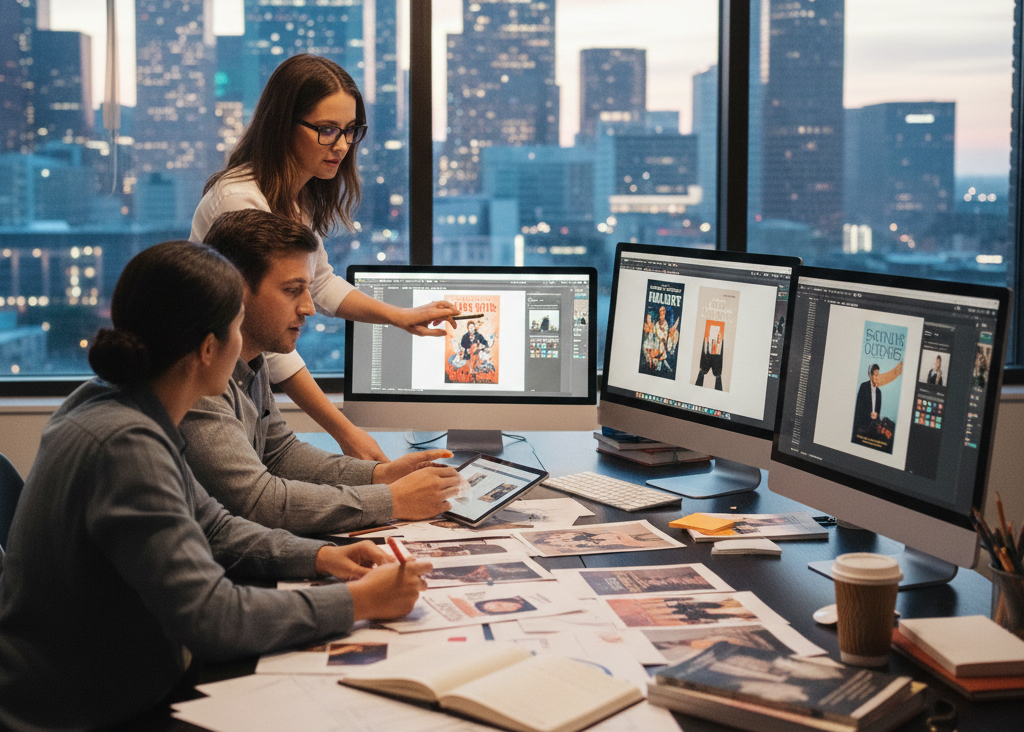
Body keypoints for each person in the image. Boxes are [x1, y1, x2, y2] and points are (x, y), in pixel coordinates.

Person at [0, 241, 432, 731]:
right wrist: (358, 602)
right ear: (208, 348)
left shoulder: (121, 404)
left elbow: (216, 527)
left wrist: (319, 558)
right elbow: (212, 617)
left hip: (110, 686)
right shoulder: (126, 445)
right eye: (236, 325)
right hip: (86, 714)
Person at [190, 54, 459, 464]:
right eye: (327, 130)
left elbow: (319, 282)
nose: (342, 145)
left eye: (351, 131)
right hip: (213, 374)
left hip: (243, 371)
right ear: (283, 124)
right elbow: (270, 332)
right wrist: (345, 431)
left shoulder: (294, 196)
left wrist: (398, 316)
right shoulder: (241, 200)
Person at [183, 209, 463, 535]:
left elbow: (280, 454)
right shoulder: (200, 380)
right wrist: (391, 500)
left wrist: (378, 476)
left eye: (308, 289)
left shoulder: (252, 364)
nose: (309, 308)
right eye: (292, 290)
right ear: (237, 289)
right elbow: (258, 501)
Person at [853, 363, 882, 438]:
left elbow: (878, 410)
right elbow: (858, 408)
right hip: (863, 426)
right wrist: (869, 414)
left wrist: (876, 414)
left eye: (878, 375)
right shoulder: (864, 387)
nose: (877, 377)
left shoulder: (879, 392)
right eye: (876, 375)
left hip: (873, 429)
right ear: (871, 376)